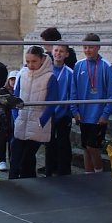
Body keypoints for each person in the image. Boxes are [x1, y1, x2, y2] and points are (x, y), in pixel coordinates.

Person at [70, 33, 112, 173]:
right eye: (85, 47)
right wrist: (74, 110)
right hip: (83, 114)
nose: (87, 50)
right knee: (85, 146)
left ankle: (98, 172)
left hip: (98, 115)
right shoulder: (78, 65)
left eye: (91, 47)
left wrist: (105, 114)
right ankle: (88, 174)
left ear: (98, 47)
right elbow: (73, 90)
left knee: (92, 146)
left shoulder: (106, 66)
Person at [10, 46, 57, 179]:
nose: (30, 65)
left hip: (37, 123)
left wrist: (41, 122)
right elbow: (15, 97)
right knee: (15, 157)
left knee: (27, 157)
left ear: (42, 59)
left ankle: (26, 180)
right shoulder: (22, 74)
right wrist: (16, 116)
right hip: (21, 120)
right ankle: (13, 181)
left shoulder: (50, 77)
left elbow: (52, 103)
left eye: (34, 61)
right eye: (28, 61)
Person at [45, 45, 74, 176]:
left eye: (61, 51)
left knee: (63, 143)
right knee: (49, 143)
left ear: (66, 54)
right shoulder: (46, 71)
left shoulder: (69, 73)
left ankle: (64, 171)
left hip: (63, 114)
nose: (58, 53)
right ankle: (49, 170)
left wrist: (70, 112)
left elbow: (72, 93)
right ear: (52, 52)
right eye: (56, 50)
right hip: (48, 114)